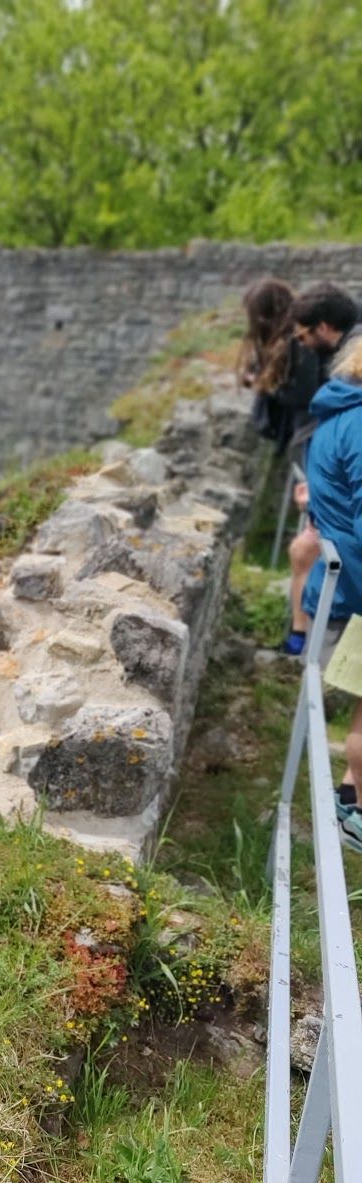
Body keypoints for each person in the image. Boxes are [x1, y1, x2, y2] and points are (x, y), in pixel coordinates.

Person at [297, 335, 362, 848]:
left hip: (340, 583)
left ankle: (348, 798)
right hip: (356, 590)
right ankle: (356, 811)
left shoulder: (337, 414)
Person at [283, 282, 359, 654]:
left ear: (324, 327)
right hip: (347, 552)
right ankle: (300, 639)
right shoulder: (348, 401)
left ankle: (301, 641)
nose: (302, 344)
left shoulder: (344, 388)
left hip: (343, 555)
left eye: (304, 336)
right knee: (302, 550)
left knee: (303, 549)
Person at [238, 278, 320, 453]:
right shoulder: (283, 337)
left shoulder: (300, 341)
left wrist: (267, 387)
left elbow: (304, 395)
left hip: (310, 427)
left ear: (264, 315)